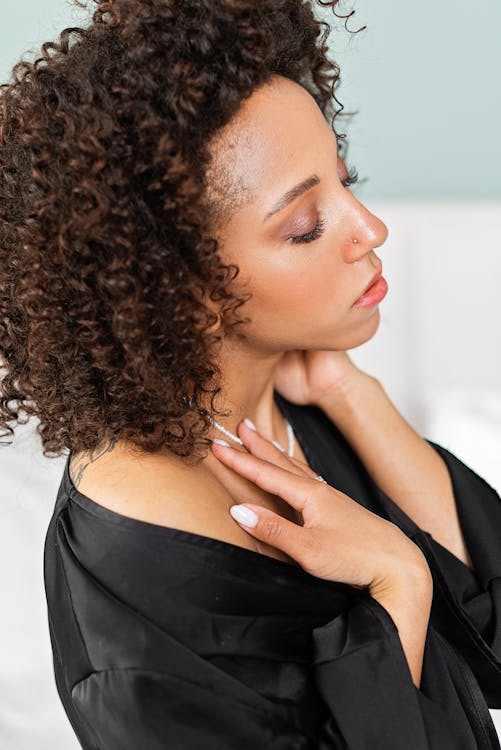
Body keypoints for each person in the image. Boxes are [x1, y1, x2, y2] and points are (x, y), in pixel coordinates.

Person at [1, 1, 500, 748]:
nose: (369, 228)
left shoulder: (297, 403)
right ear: (182, 287)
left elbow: (490, 634)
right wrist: (397, 581)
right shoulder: (139, 582)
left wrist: (352, 396)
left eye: (345, 175)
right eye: (304, 226)